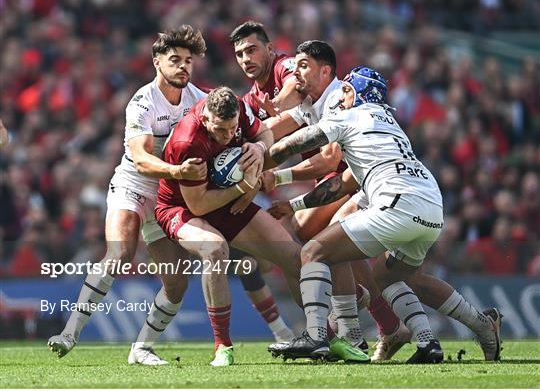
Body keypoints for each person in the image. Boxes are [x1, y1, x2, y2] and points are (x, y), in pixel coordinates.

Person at [267, 66, 502, 363]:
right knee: (391, 277)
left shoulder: (350, 115)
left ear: (354, 93)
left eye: (345, 92)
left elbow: (303, 142)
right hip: (430, 204)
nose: (341, 99)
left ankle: (321, 336)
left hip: (398, 203)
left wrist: (264, 158)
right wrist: (295, 205)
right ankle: (474, 328)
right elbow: (342, 184)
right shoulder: (390, 126)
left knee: (314, 252)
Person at [48, 26, 208, 365]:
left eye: (188, 61)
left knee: (178, 282)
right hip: (134, 185)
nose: (183, 67)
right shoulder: (142, 102)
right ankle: (70, 333)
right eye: (174, 60)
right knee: (120, 253)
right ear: (156, 63)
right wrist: (178, 171)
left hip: (167, 196)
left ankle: (141, 348)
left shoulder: (200, 101)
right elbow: (140, 157)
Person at [261, 40, 406, 359]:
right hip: (353, 181)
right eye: (295, 65)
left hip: (358, 182)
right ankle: (377, 323)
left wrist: (277, 174)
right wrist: (245, 139)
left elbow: (328, 160)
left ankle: (346, 328)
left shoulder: (341, 99)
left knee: (318, 245)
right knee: (319, 244)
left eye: (303, 66)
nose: (296, 73)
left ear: (325, 71)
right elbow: (275, 128)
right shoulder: (313, 99)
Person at [155, 86, 304, 366]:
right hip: (181, 208)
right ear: (205, 118)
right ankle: (223, 345)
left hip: (225, 199)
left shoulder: (236, 107)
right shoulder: (188, 142)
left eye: (231, 129)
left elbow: (264, 133)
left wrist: (259, 149)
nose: (227, 136)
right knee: (215, 250)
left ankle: (321, 336)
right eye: (220, 130)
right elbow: (198, 206)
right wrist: (245, 186)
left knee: (293, 257)